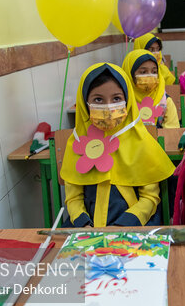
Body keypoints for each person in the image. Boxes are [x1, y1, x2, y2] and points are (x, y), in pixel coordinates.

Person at [60, 63, 175, 226]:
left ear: (127, 101)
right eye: (98, 99)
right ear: (85, 103)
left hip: (133, 225)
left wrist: (124, 224)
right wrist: (83, 222)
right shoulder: (77, 143)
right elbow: (73, 198)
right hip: (87, 228)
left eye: (116, 99)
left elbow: (150, 197)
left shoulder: (141, 141)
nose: (108, 107)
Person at [122, 49, 180, 128]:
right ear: (130, 74)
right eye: (143, 72)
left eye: (154, 72)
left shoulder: (165, 102)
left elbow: (172, 135)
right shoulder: (122, 103)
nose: (150, 76)